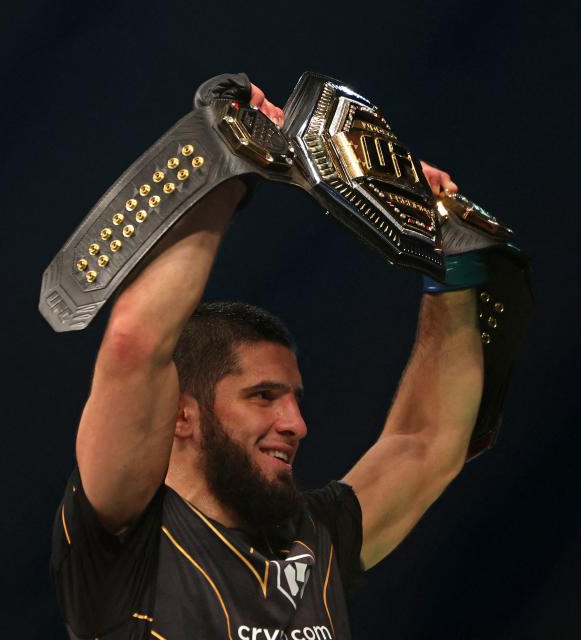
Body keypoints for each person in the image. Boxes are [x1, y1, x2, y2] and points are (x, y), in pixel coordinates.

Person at [51, 83, 482, 640]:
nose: (296, 425)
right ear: (180, 413)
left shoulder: (314, 537)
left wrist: (451, 256)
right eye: (263, 396)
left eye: (294, 399)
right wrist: (229, 167)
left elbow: (428, 440)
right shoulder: (125, 541)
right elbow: (136, 341)